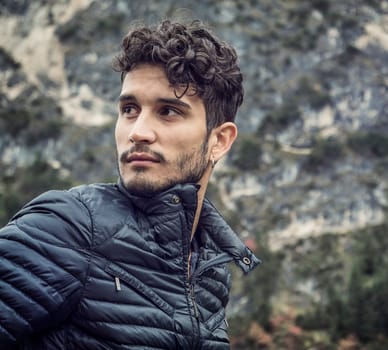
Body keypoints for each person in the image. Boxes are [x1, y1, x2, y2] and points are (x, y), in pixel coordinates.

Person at [0, 19, 260, 349]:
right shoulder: (68, 228)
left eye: (168, 111)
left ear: (220, 140)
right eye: (129, 109)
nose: (137, 131)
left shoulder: (211, 271)